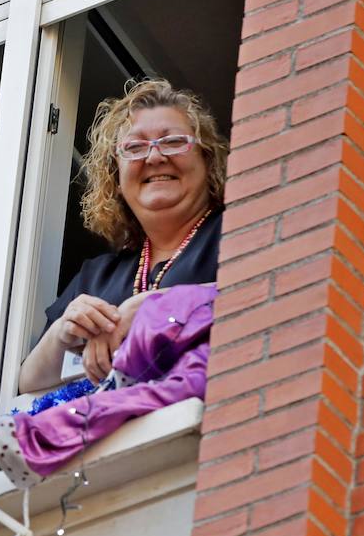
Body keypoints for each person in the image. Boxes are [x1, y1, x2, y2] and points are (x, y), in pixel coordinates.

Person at [19, 78, 228, 393]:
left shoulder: (236, 231)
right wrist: (64, 330)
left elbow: (267, 295)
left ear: (207, 160)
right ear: (114, 177)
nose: (155, 157)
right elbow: (27, 385)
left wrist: (155, 307)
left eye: (173, 141)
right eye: (134, 147)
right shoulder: (97, 277)